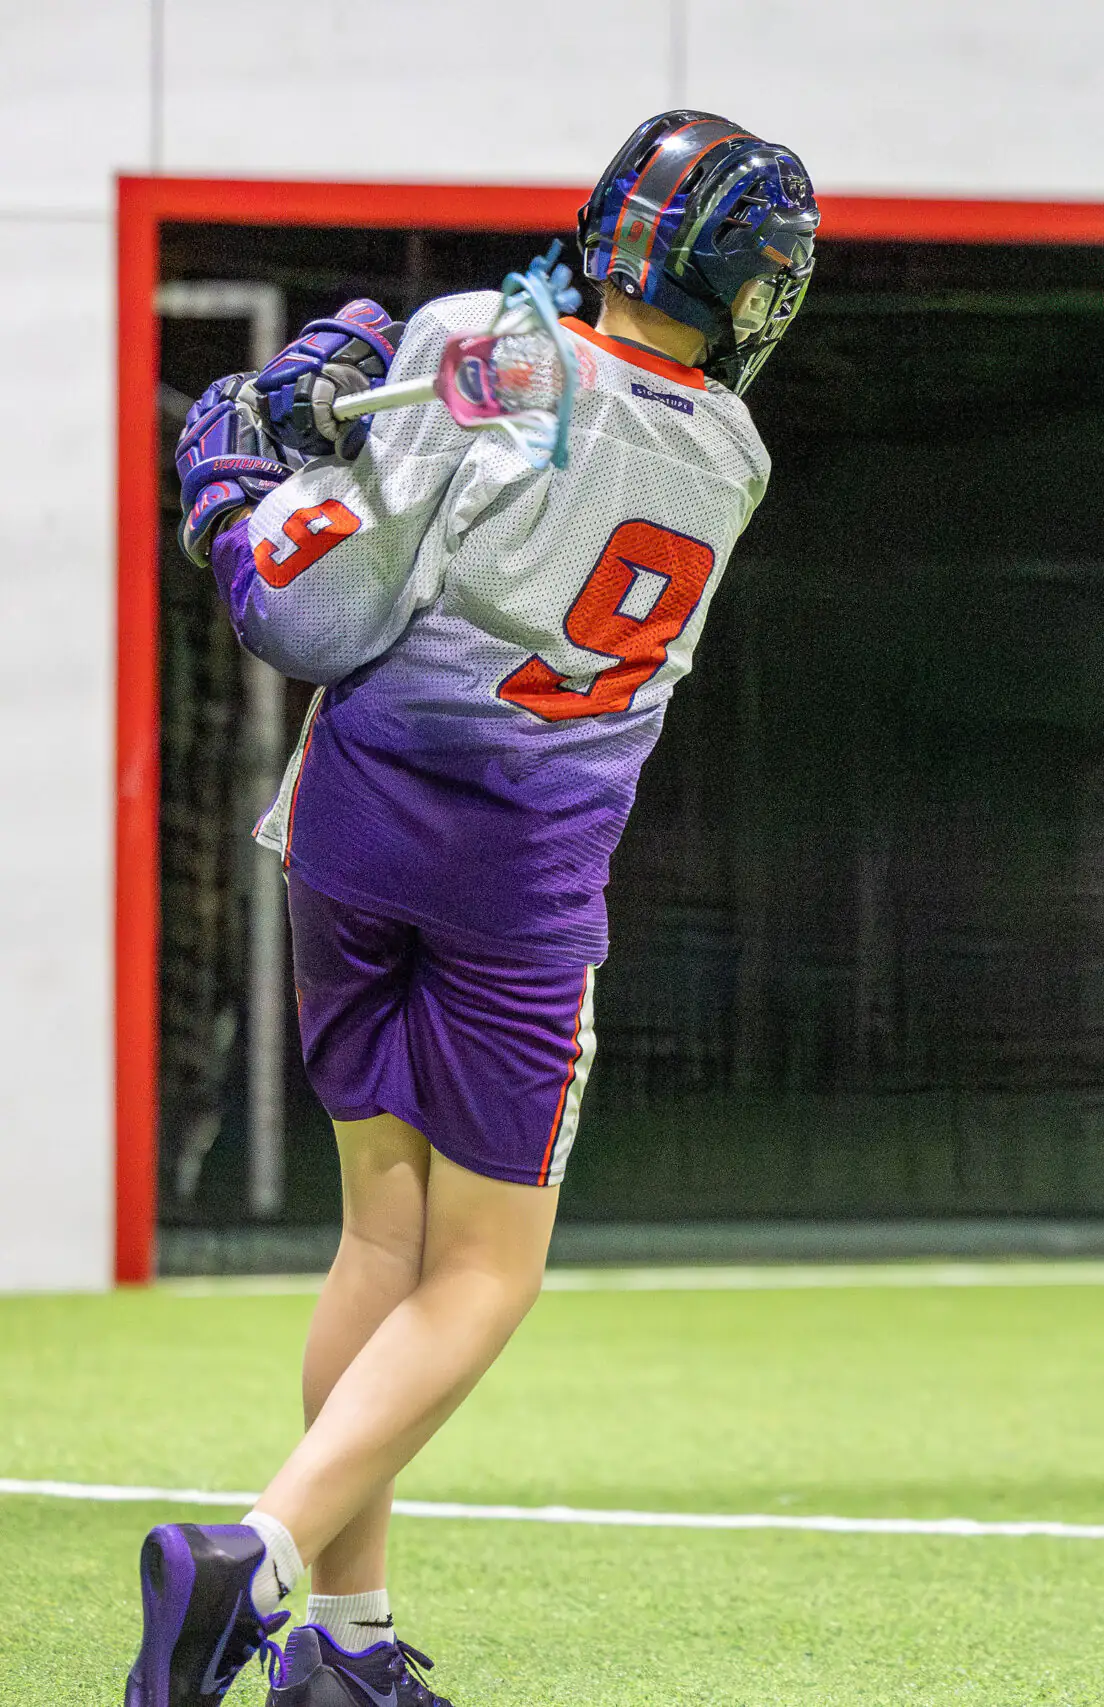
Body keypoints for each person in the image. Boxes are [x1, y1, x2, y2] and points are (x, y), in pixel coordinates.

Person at [130, 112, 818, 1707]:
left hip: (353, 834)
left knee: (381, 1232)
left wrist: (249, 473)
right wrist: (387, 405)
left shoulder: (471, 348)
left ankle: (347, 1649)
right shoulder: (731, 453)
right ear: (745, 285)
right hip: (518, 882)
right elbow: (563, 420)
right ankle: (258, 1558)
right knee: (486, 1267)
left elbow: (309, 612)